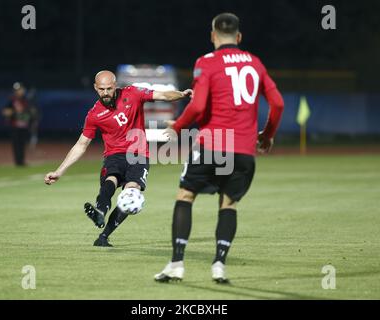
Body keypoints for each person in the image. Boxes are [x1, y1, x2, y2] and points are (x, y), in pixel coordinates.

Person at [154, 13, 284, 283]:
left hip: (214, 143)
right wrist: (267, 136)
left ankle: (177, 264)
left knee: (185, 195)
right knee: (229, 203)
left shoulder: (207, 62)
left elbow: (199, 106)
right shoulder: (255, 63)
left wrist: (176, 128)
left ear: (213, 35)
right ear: (239, 37)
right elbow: (278, 104)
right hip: (244, 148)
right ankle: (219, 266)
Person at [44, 70, 192, 247]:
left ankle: (104, 236)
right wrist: (60, 171)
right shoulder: (94, 114)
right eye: (101, 89)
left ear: (115, 86)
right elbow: (81, 145)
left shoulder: (133, 93)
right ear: (95, 88)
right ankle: (100, 211)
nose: (105, 93)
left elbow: (162, 95)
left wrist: (181, 94)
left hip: (139, 154)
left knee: (131, 194)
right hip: (114, 155)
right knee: (111, 179)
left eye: (109, 88)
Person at [2, 82, 38, 166]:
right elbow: (5, 111)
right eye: (17, 90)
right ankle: (17, 161)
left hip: (24, 126)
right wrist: (14, 112)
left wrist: (31, 116)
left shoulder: (26, 100)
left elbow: (32, 112)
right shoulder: (12, 100)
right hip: (15, 126)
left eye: (20, 89)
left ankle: (21, 161)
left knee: (22, 144)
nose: (19, 91)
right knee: (16, 144)